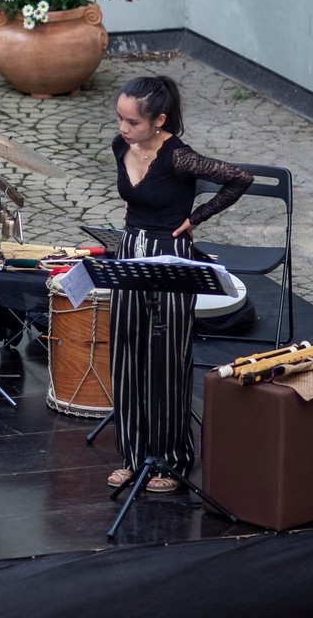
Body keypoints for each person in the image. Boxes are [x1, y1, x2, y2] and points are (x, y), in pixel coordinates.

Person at [107, 75, 252, 493]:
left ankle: (172, 460)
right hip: (130, 251)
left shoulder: (180, 157)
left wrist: (196, 218)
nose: (123, 128)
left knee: (168, 358)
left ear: (159, 121)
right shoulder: (120, 146)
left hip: (170, 256)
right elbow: (136, 197)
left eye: (132, 122)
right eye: (120, 118)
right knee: (126, 354)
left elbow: (239, 178)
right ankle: (132, 456)